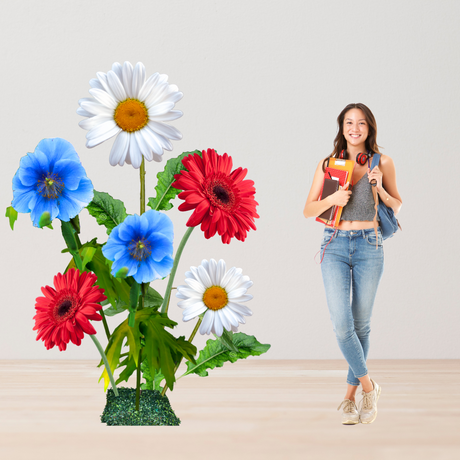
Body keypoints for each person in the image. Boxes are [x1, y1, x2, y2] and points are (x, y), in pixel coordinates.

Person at [303, 103, 402, 425]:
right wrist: (332, 200)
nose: (355, 128)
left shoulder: (382, 162)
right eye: (349, 122)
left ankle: (348, 399)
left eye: (361, 123)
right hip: (333, 244)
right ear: (342, 127)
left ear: (370, 128)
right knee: (342, 324)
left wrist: (379, 188)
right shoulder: (329, 164)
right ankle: (369, 387)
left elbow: (397, 205)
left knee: (361, 325)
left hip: (369, 245)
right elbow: (307, 210)